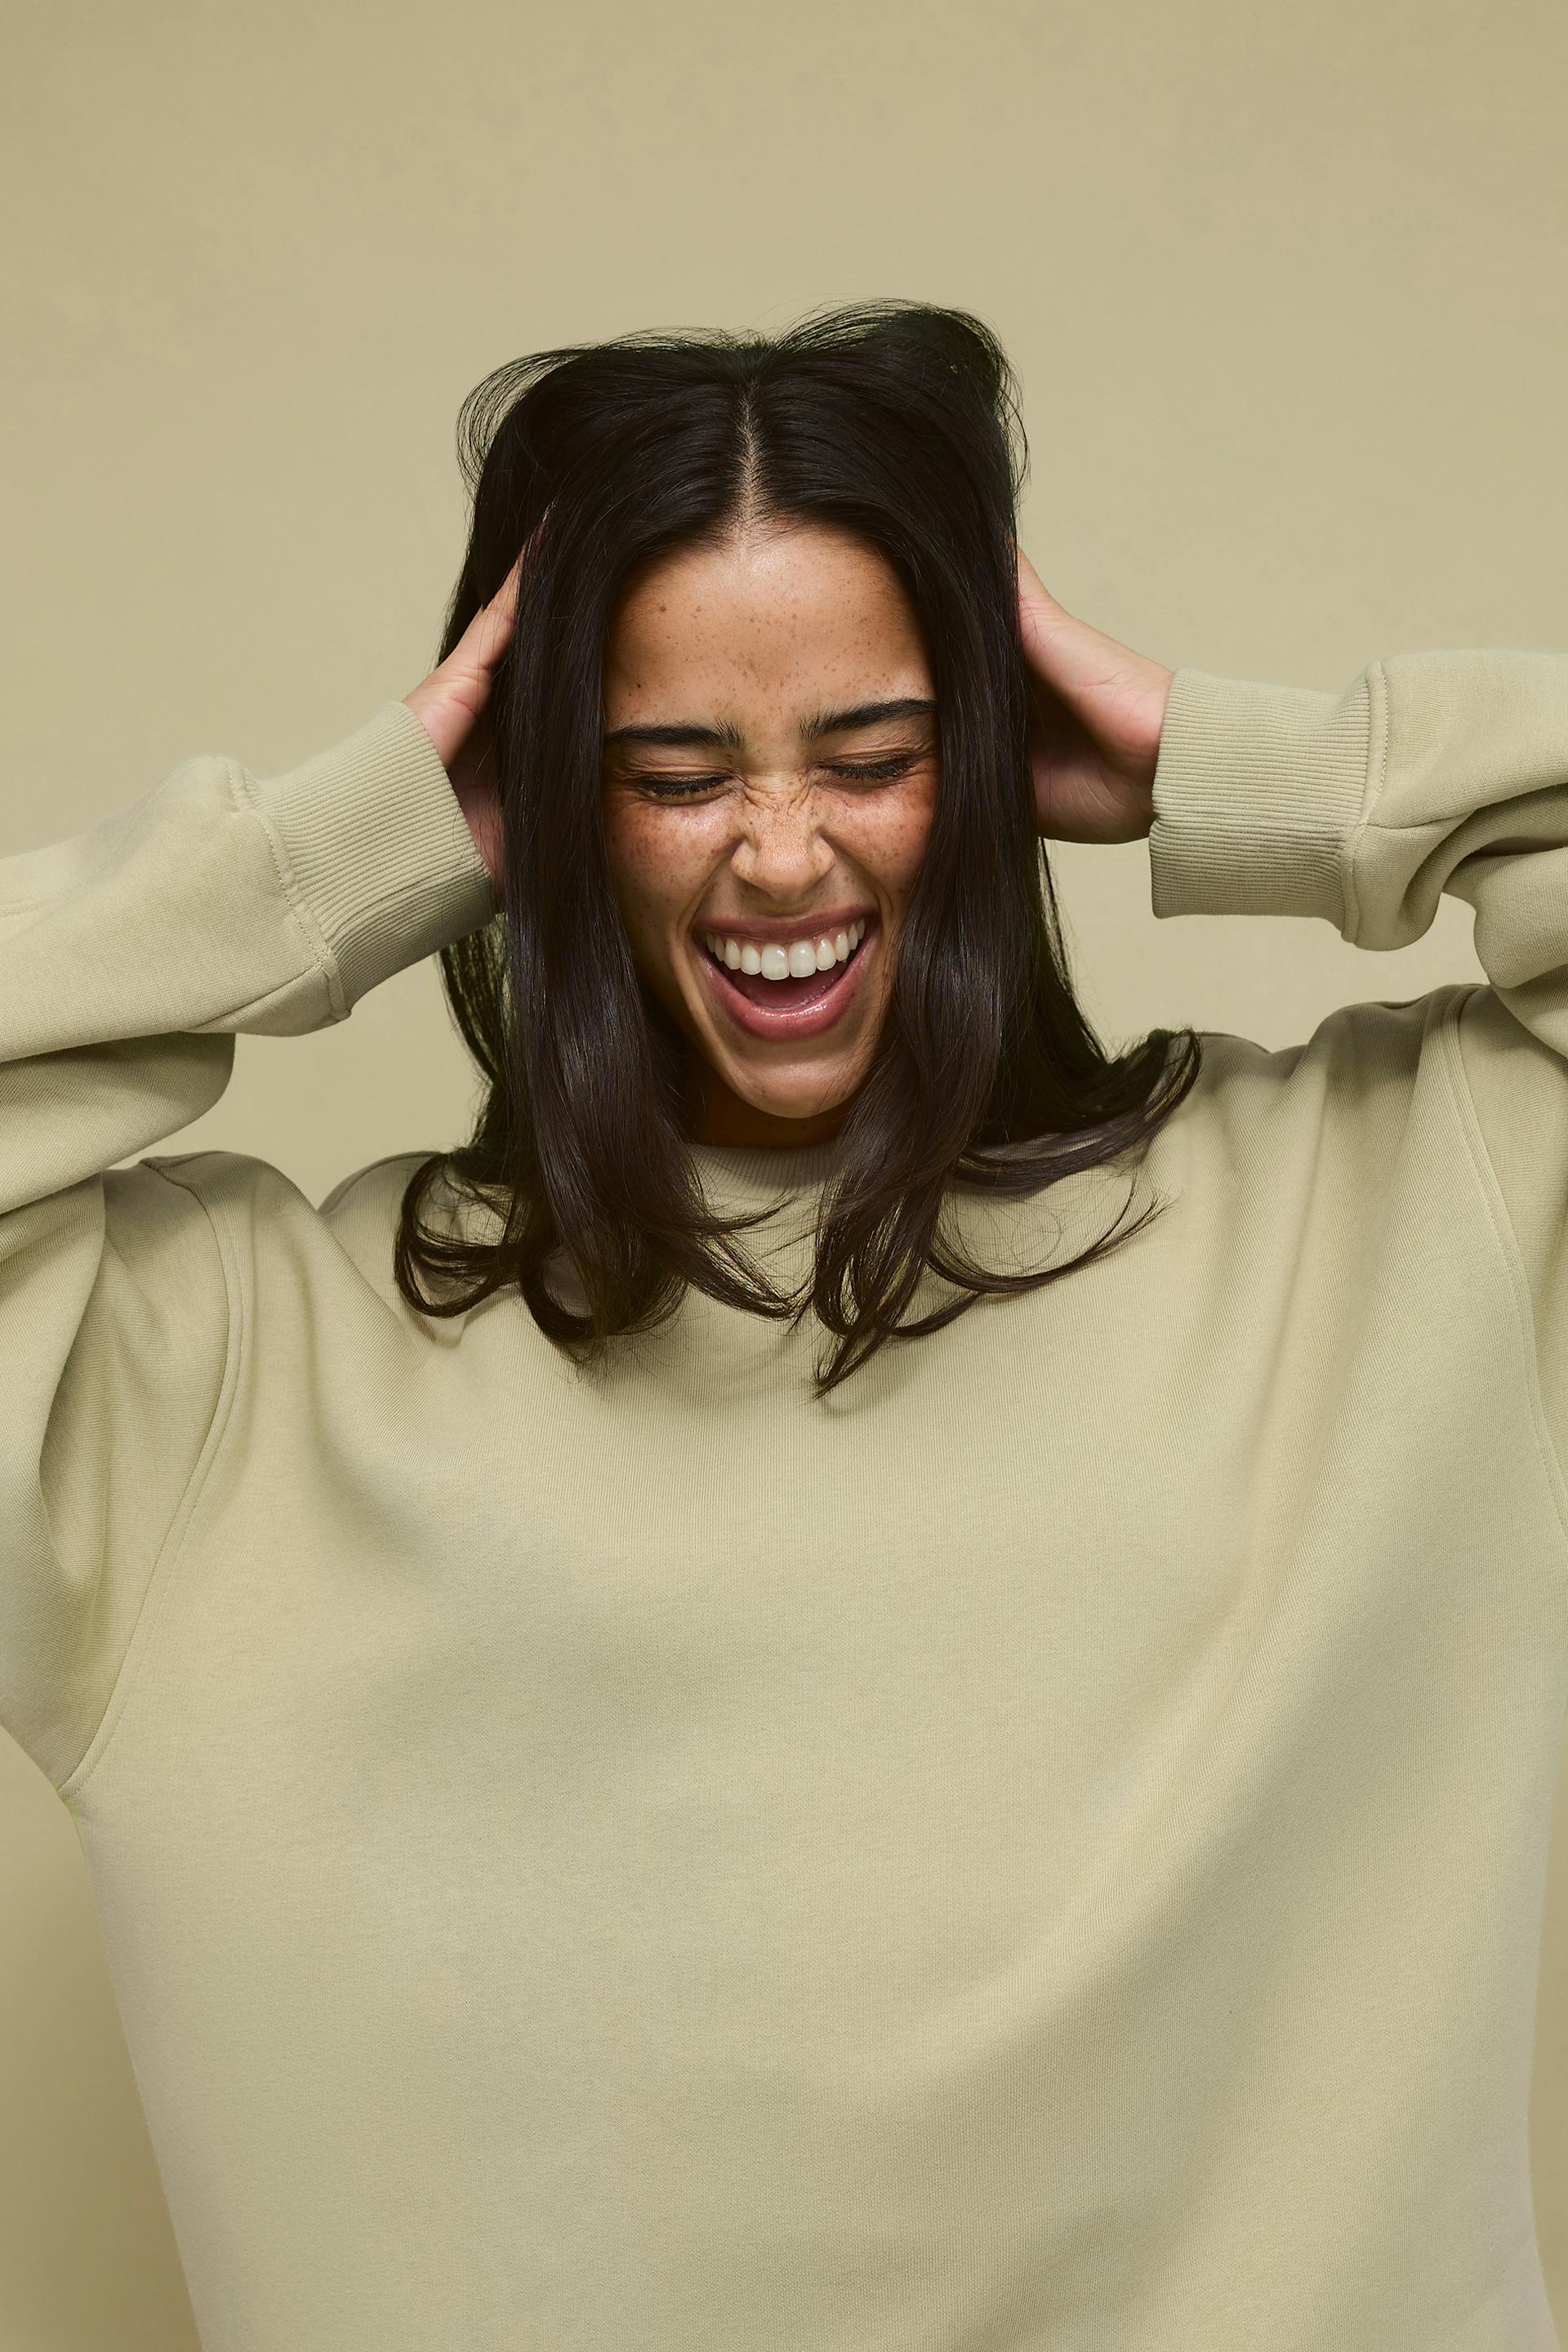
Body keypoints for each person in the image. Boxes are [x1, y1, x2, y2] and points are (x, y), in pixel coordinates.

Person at [2, 301, 1565, 2352]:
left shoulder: (1387, 1220)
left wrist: (1236, 764)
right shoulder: (225, 1386)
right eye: (666, 773)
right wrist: (344, 854)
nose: (780, 853)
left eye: (879, 753)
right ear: (552, 800)